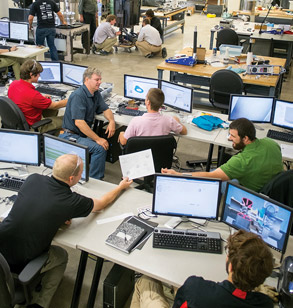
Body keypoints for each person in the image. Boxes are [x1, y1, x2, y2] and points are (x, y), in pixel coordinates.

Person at [0, 154, 132, 308]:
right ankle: (39, 304)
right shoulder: (70, 201)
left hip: (2, 249)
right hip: (21, 261)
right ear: (71, 179)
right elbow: (101, 204)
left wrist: (62, 215)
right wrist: (121, 186)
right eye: (81, 172)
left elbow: (41, 203)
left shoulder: (33, 179)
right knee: (61, 255)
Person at [130, 230, 276, 308]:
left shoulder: (196, 288)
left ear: (230, 265)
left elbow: (179, 304)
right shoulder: (266, 304)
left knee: (146, 281)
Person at [162, 118, 283, 192]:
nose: (230, 139)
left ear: (245, 138)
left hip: (253, 195)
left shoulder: (241, 161)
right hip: (273, 189)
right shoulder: (271, 143)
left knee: (216, 183)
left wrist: (178, 174)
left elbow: (211, 176)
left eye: (233, 136)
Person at [59, 67, 115, 180]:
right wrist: (98, 139)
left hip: (81, 135)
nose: (100, 82)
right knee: (100, 147)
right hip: (70, 135)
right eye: (97, 79)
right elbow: (79, 122)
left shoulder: (95, 93)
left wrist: (112, 121)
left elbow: (106, 109)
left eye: (100, 79)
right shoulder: (78, 96)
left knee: (102, 144)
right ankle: (95, 180)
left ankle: (94, 176)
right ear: (87, 79)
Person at [8, 59, 67, 134]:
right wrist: (72, 99)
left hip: (22, 121)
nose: (39, 76)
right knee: (66, 119)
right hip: (34, 126)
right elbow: (55, 106)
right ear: (31, 75)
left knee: (51, 110)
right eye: (38, 74)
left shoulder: (14, 84)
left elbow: (26, 99)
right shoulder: (33, 95)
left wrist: (41, 99)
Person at [118, 88, 187, 146]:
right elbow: (184, 131)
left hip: (141, 158)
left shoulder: (136, 121)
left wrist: (121, 133)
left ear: (148, 102)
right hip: (160, 158)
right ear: (162, 104)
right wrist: (177, 121)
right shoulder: (169, 120)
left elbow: (124, 142)